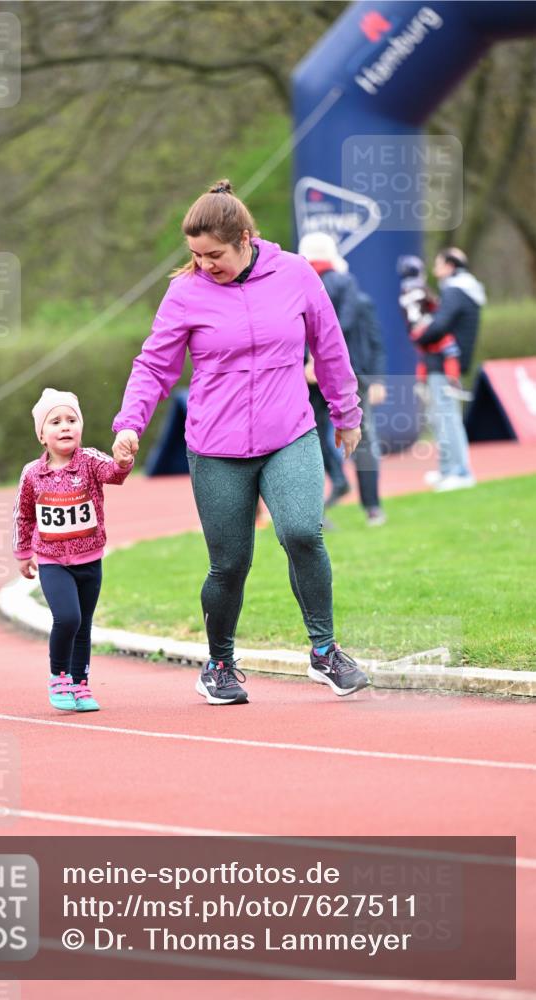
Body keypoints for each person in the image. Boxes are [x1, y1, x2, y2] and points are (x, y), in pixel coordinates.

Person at [112, 179, 369, 705]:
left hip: (288, 432)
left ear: (245, 237)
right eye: (195, 255)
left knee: (302, 531)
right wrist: (129, 423)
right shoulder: (185, 292)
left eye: (214, 254)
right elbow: (154, 365)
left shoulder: (295, 274)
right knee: (229, 563)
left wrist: (346, 411)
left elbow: (330, 345)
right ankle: (220, 664)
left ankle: (325, 651)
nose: (205, 264)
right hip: (216, 444)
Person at [13, 388, 133, 712]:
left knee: (84, 625)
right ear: (42, 435)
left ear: (80, 426)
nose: (64, 426)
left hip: (90, 559)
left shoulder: (91, 461)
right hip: (53, 561)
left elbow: (115, 474)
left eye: (71, 419)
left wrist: (123, 461)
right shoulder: (32, 474)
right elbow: (23, 515)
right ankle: (58, 676)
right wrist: (23, 552)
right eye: (55, 422)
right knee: (68, 618)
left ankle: (80, 684)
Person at [299, 233, 388, 527]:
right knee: (362, 438)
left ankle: (328, 494)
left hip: (309, 374)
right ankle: (372, 507)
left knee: (307, 437)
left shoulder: (296, 281)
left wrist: (309, 359)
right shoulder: (345, 282)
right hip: (347, 372)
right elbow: (342, 324)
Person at [411, 248, 486, 491]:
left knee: (447, 417)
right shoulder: (462, 289)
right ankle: (447, 470)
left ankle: (460, 472)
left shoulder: (455, 290)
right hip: (445, 364)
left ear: (451, 266)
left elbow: (439, 326)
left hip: (444, 365)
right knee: (439, 416)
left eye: (438, 264)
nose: (435, 270)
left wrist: (419, 335)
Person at [397, 255, 470, 402]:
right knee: (450, 347)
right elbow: (435, 304)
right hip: (425, 326)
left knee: (424, 357)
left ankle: (420, 383)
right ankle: (453, 383)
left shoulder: (403, 292)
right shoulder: (421, 288)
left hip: (414, 331)